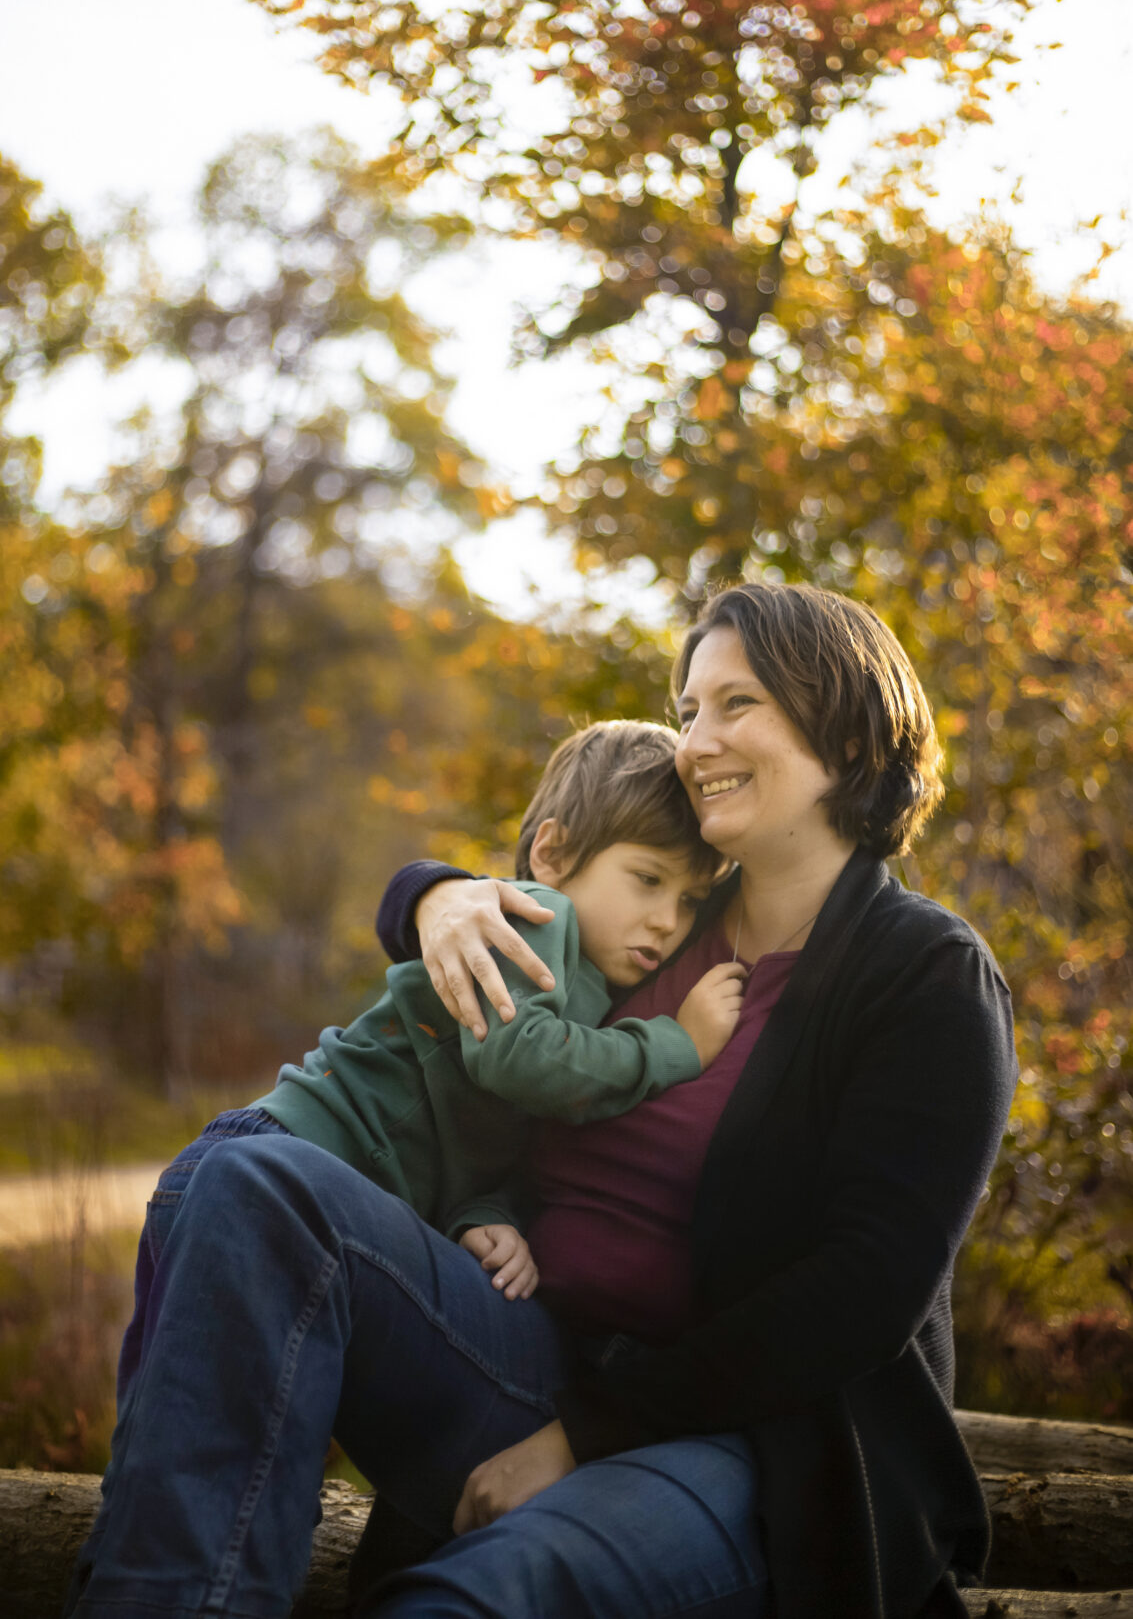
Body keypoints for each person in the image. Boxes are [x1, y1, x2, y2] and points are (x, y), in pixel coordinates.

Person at [67, 583, 1016, 1619]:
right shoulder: (657, 926)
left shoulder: (924, 976)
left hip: (764, 1443)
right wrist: (429, 893)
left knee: (467, 1602)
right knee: (256, 1180)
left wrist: (580, 1435)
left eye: (734, 703)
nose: (694, 739)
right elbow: (523, 907)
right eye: (688, 708)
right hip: (531, 1357)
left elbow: (860, 1293)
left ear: (841, 722)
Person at [112, 720, 733, 1422]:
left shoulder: (590, 986)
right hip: (272, 1167)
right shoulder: (531, 920)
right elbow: (513, 1058)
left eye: (688, 900)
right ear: (553, 853)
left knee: (183, 1443)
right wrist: (672, 1046)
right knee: (221, 1442)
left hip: (271, 1188)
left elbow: (475, 1120)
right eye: (648, 880)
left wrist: (483, 1214)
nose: (665, 921)